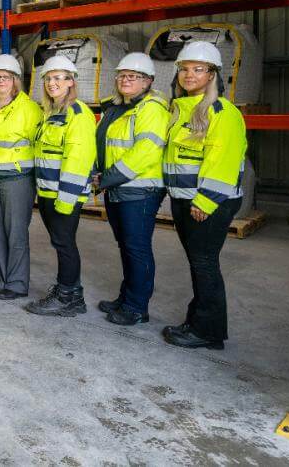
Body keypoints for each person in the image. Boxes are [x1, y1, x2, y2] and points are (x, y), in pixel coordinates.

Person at [162, 41, 246, 351]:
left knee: (205, 264)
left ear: (212, 75)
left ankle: (208, 332)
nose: (189, 75)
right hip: (185, 198)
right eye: (184, 69)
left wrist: (206, 200)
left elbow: (222, 159)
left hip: (207, 203)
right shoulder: (182, 110)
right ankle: (198, 322)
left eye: (198, 69)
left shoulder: (222, 112)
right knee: (199, 263)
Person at [93, 53, 169, 326]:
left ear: (148, 81)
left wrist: (108, 178)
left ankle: (137, 307)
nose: (126, 80)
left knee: (137, 248)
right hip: (118, 188)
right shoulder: (117, 108)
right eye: (122, 75)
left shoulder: (152, 109)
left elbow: (145, 152)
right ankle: (127, 297)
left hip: (140, 190)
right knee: (126, 245)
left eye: (134, 76)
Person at [27, 55, 97, 317]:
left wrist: (66, 200)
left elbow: (77, 160)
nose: (52, 83)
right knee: (60, 243)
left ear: (71, 82)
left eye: (58, 78)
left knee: (65, 244)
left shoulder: (77, 114)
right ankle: (70, 293)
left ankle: (67, 296)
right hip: (47, 191)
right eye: (48, 78)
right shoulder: (51, 113)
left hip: (63, 194)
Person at [0, 54, 41, 301]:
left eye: (5, 77)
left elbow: (38, 146)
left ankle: (16, 284)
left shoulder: (29, 109)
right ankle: (5, 278)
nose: (0, 81)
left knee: (16, 233)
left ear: (16, 80)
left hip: (17, 179)